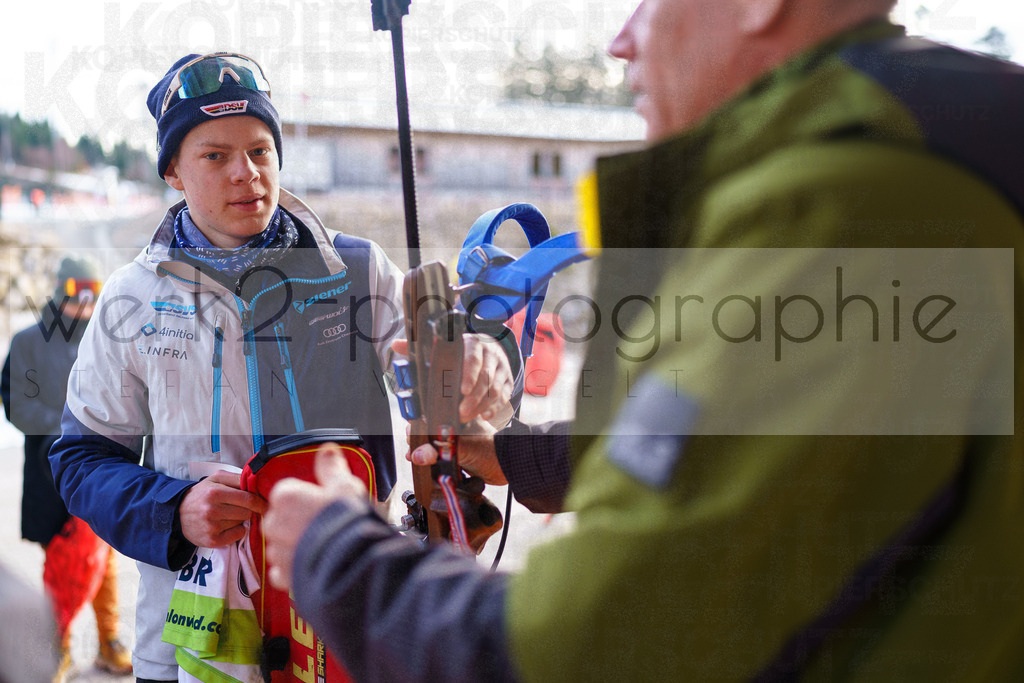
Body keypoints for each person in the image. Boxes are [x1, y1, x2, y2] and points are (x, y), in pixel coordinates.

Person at [262, 0, 1024, 680]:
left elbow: (599, 645)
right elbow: (762, 450)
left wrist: (335, 555)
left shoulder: (841, 206)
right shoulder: (934, 155)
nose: (620, 42)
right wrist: (514, 453)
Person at [48, 52, 518, 683]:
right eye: (215, 155)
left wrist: (481, 358)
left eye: (261, 150)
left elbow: (447, 363)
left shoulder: (356, 270)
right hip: (192, 645)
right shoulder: (131, 297)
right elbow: (79, 461)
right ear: (174, 173)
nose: (246, 174)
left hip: (346, 620)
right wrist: (174, 510)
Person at [2, 257, 133, 680]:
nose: (88, 307)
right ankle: (53, 646)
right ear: (62, 294)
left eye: (94, 299)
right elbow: (15, 403)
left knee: (105, 559)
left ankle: (109, 642)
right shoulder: (28, 342)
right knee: (62, 564)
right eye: (80, 298)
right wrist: (65, 426)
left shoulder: (104, 339)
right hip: (48, 471)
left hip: (101, 468)